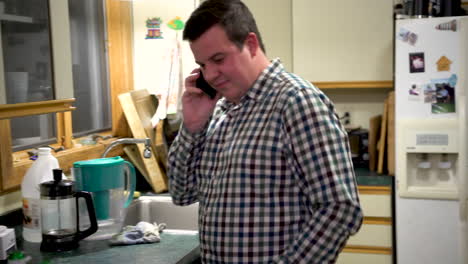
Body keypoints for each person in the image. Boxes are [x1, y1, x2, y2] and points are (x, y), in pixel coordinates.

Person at [167, 0, 363, 263]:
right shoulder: (220, 110)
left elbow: (340, 210)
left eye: (218, 59)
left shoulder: (296, 101)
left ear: (250, 44)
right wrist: (191, 128)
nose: (211, 74)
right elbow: (182, 194)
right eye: (202, 65)